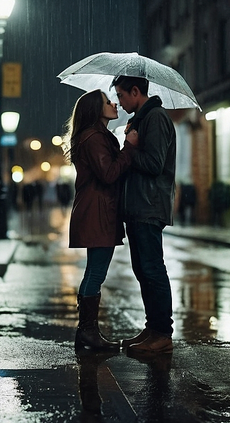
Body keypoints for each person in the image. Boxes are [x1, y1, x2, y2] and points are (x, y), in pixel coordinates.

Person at [63, 89, 138, 352]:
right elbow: (108, 173)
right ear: (96, 110)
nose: (114, 103)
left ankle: (87, 332)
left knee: (94, 271)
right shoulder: (94, 138)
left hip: (97, 209)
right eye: (108, 101)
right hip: (97, 210)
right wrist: (129, 146)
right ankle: (87, 333)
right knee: (96, 272)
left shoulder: (96, 136)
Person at [112, 75, 176, 354]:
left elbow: (154, 163)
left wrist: (130, 148)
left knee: (152, 269)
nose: (119, 101)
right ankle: (152, 328)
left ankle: (162, 333)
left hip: (150, 206)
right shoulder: (141, 119)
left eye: (122, 96)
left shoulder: (156, 118)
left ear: (135, 91)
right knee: (142, 270)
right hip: (138, 206)